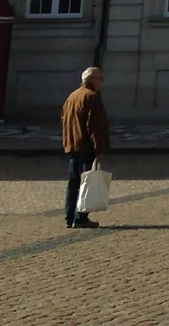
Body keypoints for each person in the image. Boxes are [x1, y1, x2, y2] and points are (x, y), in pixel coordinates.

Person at [60, 66, 110, 228]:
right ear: (93, 80)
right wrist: (99, 149)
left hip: (73, 145)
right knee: (85, 183)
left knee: (73, 183)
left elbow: (64, 121)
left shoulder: (72, 96)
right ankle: (80, 218)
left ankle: (69, 217)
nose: (101, 82)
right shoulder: (92, 97)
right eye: (100, 79)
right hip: (86, 146)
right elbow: (96, 127)